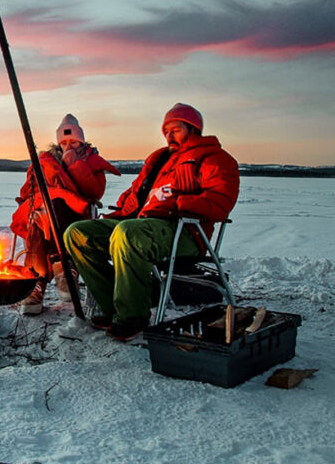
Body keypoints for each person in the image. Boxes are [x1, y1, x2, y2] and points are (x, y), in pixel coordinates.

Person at [63, 103, 240, 341]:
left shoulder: (214, 158)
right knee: (76, 233)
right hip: (141, 224)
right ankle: (113, 307)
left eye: (175, 129)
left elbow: (220, 202)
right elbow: (138, 194)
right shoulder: (160, 160)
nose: (168, 135)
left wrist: (176, 201)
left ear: (193, 128)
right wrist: (120, 212)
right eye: (165, 130)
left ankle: (132, 317)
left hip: (184, 231)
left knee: (128, 233)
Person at [11, 114, 120, 315]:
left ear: (82, 141)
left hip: (76, 213)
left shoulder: (92, 162)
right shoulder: (45, 161)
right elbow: (27, 190)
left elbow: (94, 192)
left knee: (56, 206)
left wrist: (74, 165)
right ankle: (54, 274)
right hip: (43, 213)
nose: (68, 145)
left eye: (74, 142)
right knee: (39, 219)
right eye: (64, 142)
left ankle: (46, 278)